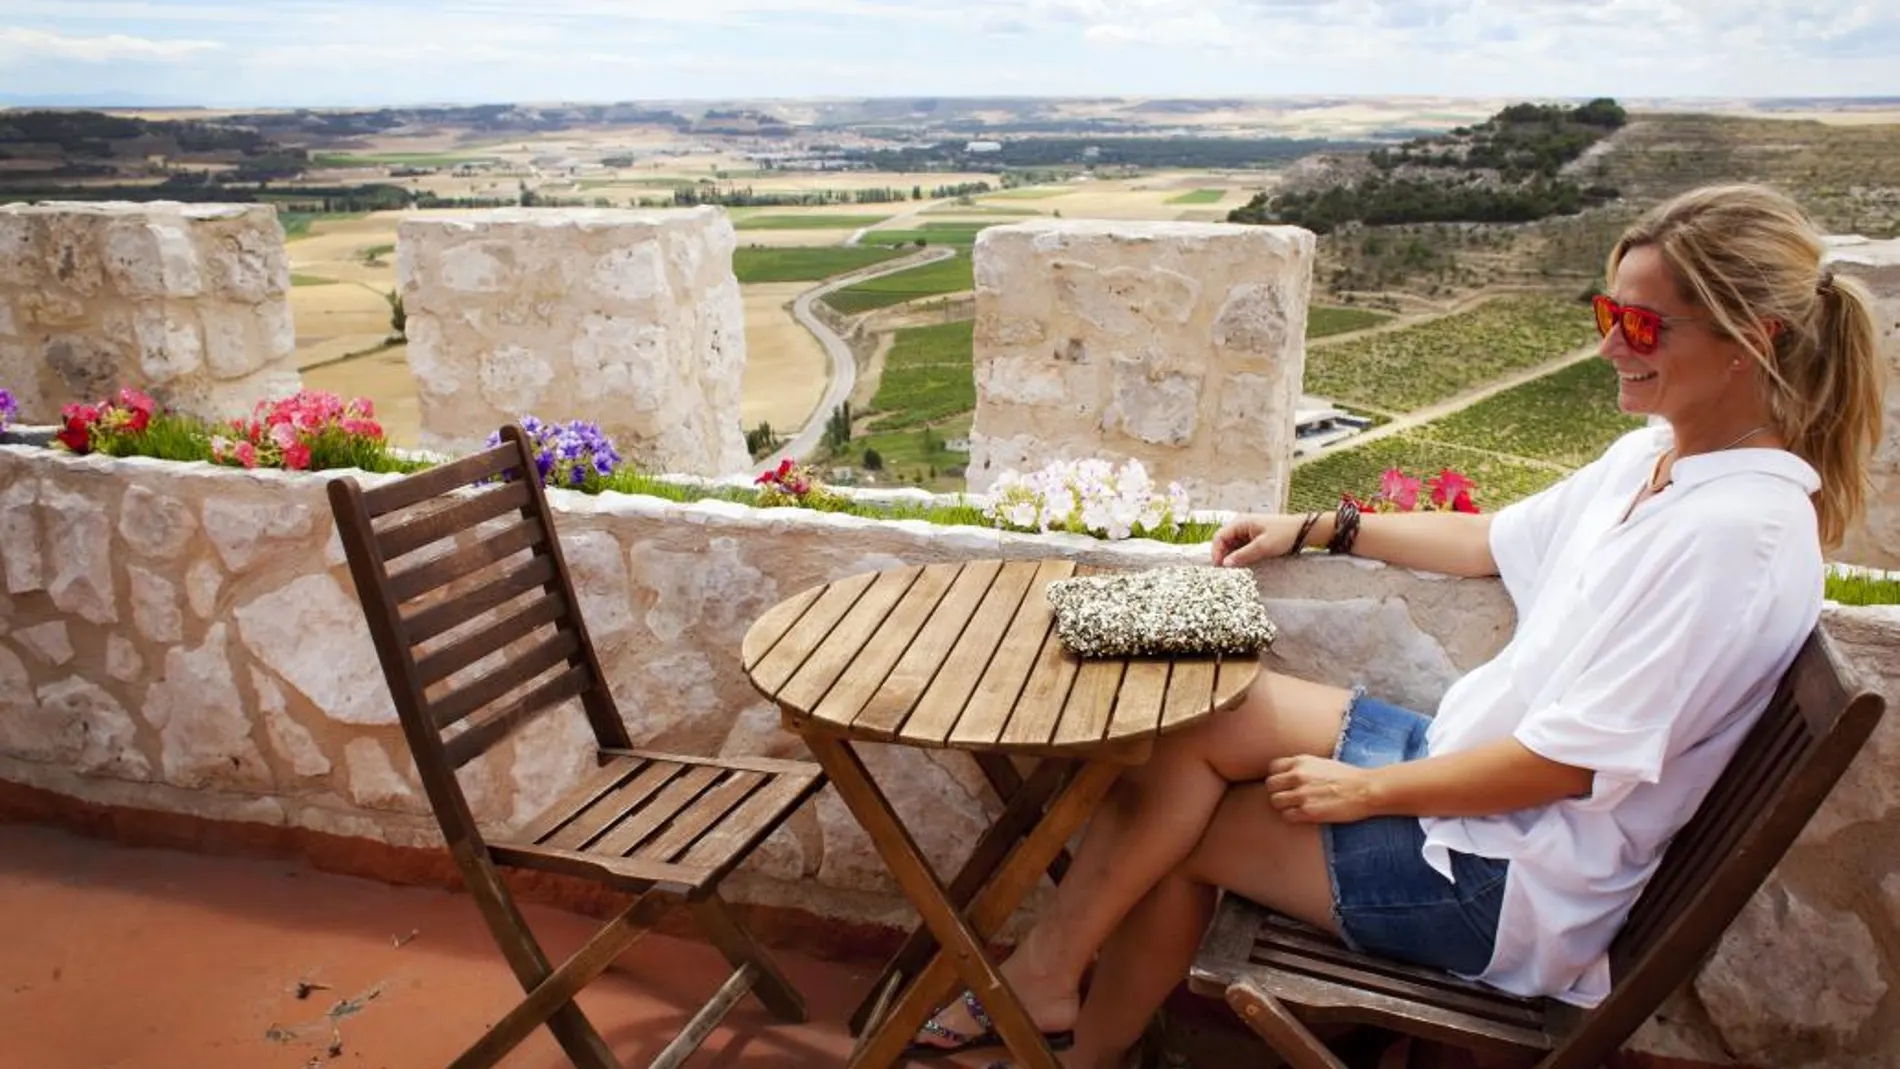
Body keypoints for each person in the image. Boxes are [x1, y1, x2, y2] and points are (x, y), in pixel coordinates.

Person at [907, 183, 1886, 1068]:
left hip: (1506, 878)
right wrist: (1324, 527)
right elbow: (1495, 541)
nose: (1607, 344)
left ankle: (1075, 1046)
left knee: (1193, 829)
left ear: (1750, 338)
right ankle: (1043, 979)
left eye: (1639, 322)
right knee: (1204, 719)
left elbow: (1574, 765)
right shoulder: (1654, 460)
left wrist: (1370, 790)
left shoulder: (1734, 538)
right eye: (1605, 312)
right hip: (1470, 776)